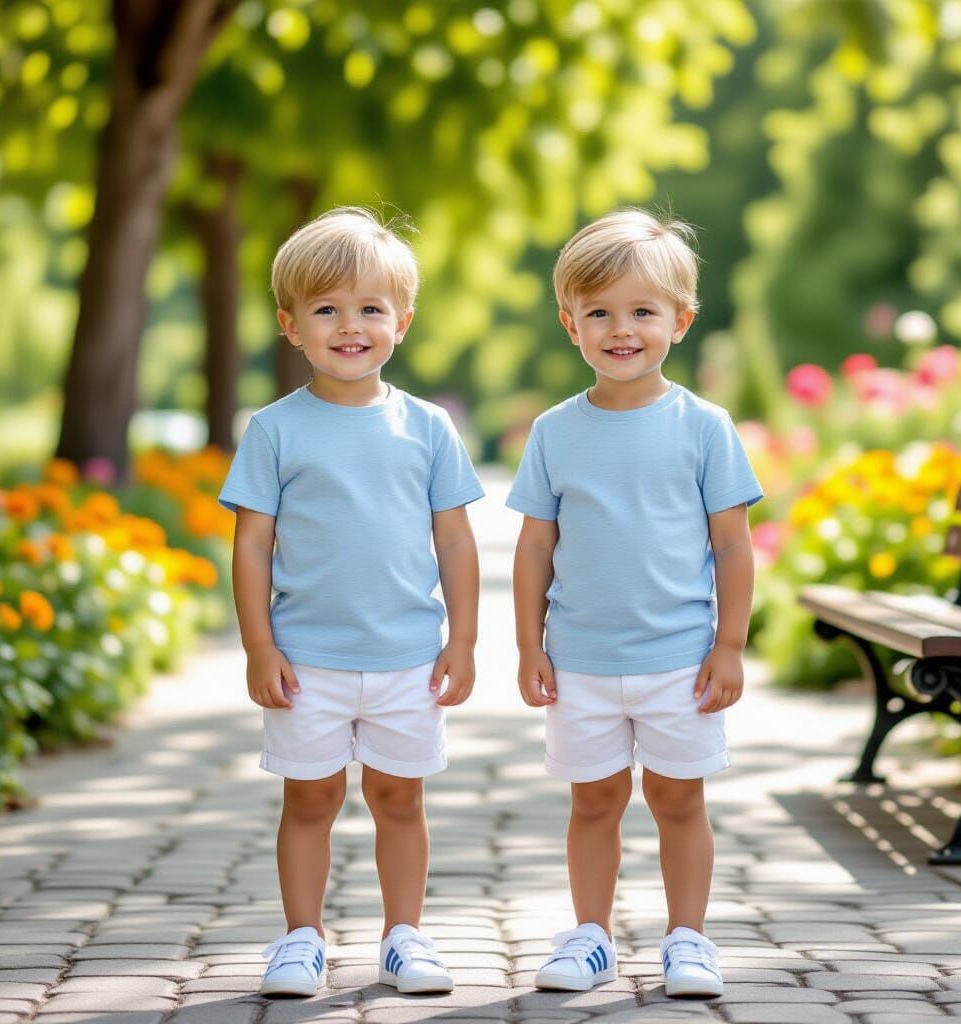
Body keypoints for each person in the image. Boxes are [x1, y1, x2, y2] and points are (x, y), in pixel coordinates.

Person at [219, 207, 483, 998]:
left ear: (402, 321)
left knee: (400, 798)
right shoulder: (274, 430)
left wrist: (463, 641)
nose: (350, 326)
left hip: (407, 657)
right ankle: (301, 938)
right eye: (327, 309)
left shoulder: (428, 427)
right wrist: (259, 647)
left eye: (370, 308)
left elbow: (456, 542)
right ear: (290, 325)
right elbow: (252, 545)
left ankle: (405, 936)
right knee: (311, 799)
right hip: (307, 661)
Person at [507, 208, 763, 998]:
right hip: (580, 662)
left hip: (679, 661)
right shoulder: (554, 432)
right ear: (570, 324)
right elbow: (534, 548)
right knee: (594, 802)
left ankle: (688, 939)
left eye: (643, 312)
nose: (622, 330)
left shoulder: (705, 428)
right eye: (600, 314)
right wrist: (528, 645)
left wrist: (729, 645)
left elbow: (733, 546)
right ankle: (590, 936)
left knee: (678, 800)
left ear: (680, 320)